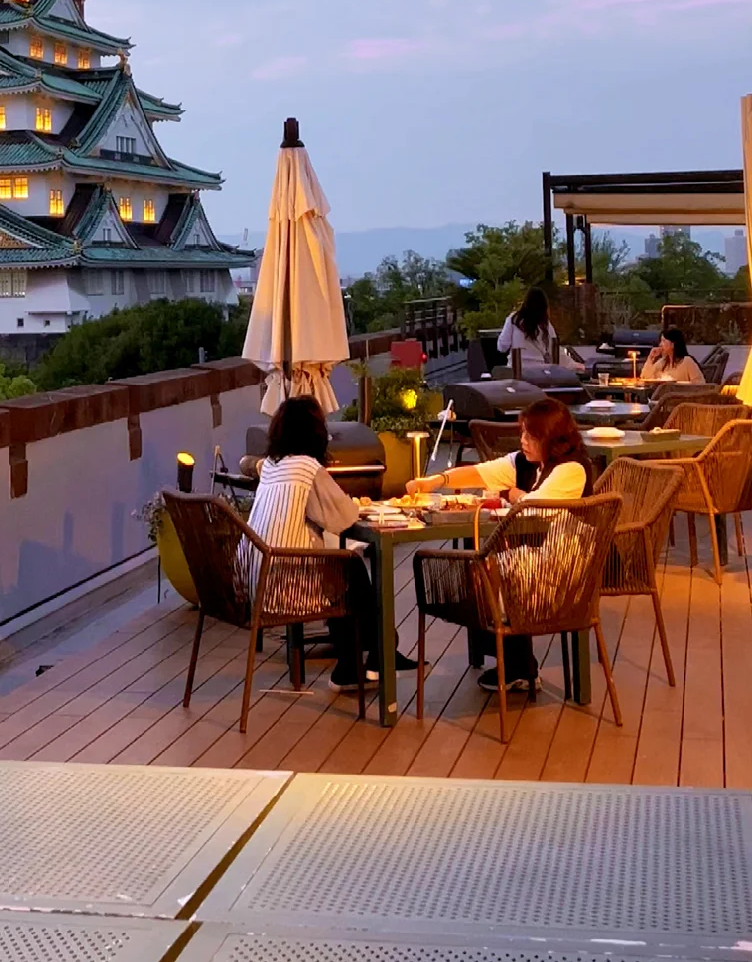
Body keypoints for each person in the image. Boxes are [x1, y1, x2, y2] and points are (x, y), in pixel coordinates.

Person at [406, 395, 594, 693]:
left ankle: (517, 663)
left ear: (551, 438)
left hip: (562, 565)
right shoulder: (527, 463)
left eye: (530, 436)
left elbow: (532, 508)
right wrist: (435, 480)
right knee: (479, 569)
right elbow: (482, 472)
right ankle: (515, 661)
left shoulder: (571, 469)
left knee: (482, 573)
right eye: (523, 433)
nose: (523, 441)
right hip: (530, 555)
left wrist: (511, 494)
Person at [245, 396, 405, 691]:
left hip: (257, 579)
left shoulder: (271, 466)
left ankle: (369, 657)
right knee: (351, 569)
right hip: (288, 584)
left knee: (343, 570)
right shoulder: (307, 468)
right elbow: (344, 517)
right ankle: (375, 655)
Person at [497, 287, 560, 371]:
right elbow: (553, 348)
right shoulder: (546, 324)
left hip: (517, 369)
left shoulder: (514, 319)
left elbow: (502, 347)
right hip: (540, 370)